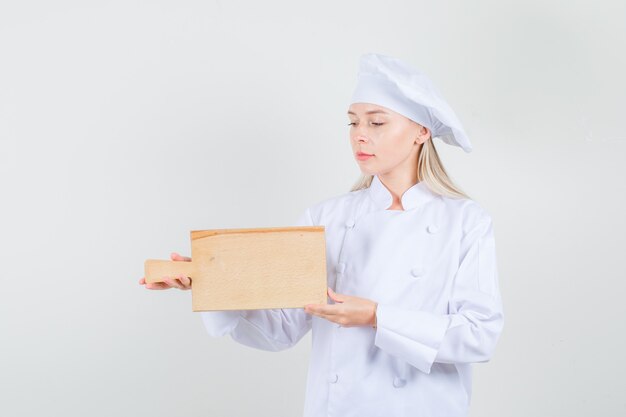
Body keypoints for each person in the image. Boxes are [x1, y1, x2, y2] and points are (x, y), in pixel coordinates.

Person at [139, 53, 504, 417]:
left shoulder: (465, 221)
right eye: (352, 123)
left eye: (377, 122)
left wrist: (377, 316)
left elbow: (478, 336)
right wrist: (213, 281)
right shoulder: (326, 217)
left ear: (421, 132)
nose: (360, 135)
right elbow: (281, 331)